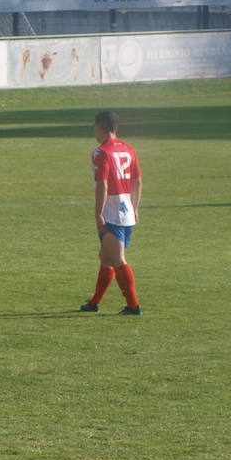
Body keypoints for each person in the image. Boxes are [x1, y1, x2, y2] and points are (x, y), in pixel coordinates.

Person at [81, 110, 142, 315]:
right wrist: (135, 207)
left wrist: (99, 213)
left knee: (117, 260)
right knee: (105, 258)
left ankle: (134, 306)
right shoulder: (129, 150)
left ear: (100, 127)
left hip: (112, 213)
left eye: (95, 127)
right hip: (127, 212)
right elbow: (137, 182)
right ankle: (94, 303)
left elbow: (103, 185)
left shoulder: (101, 153)